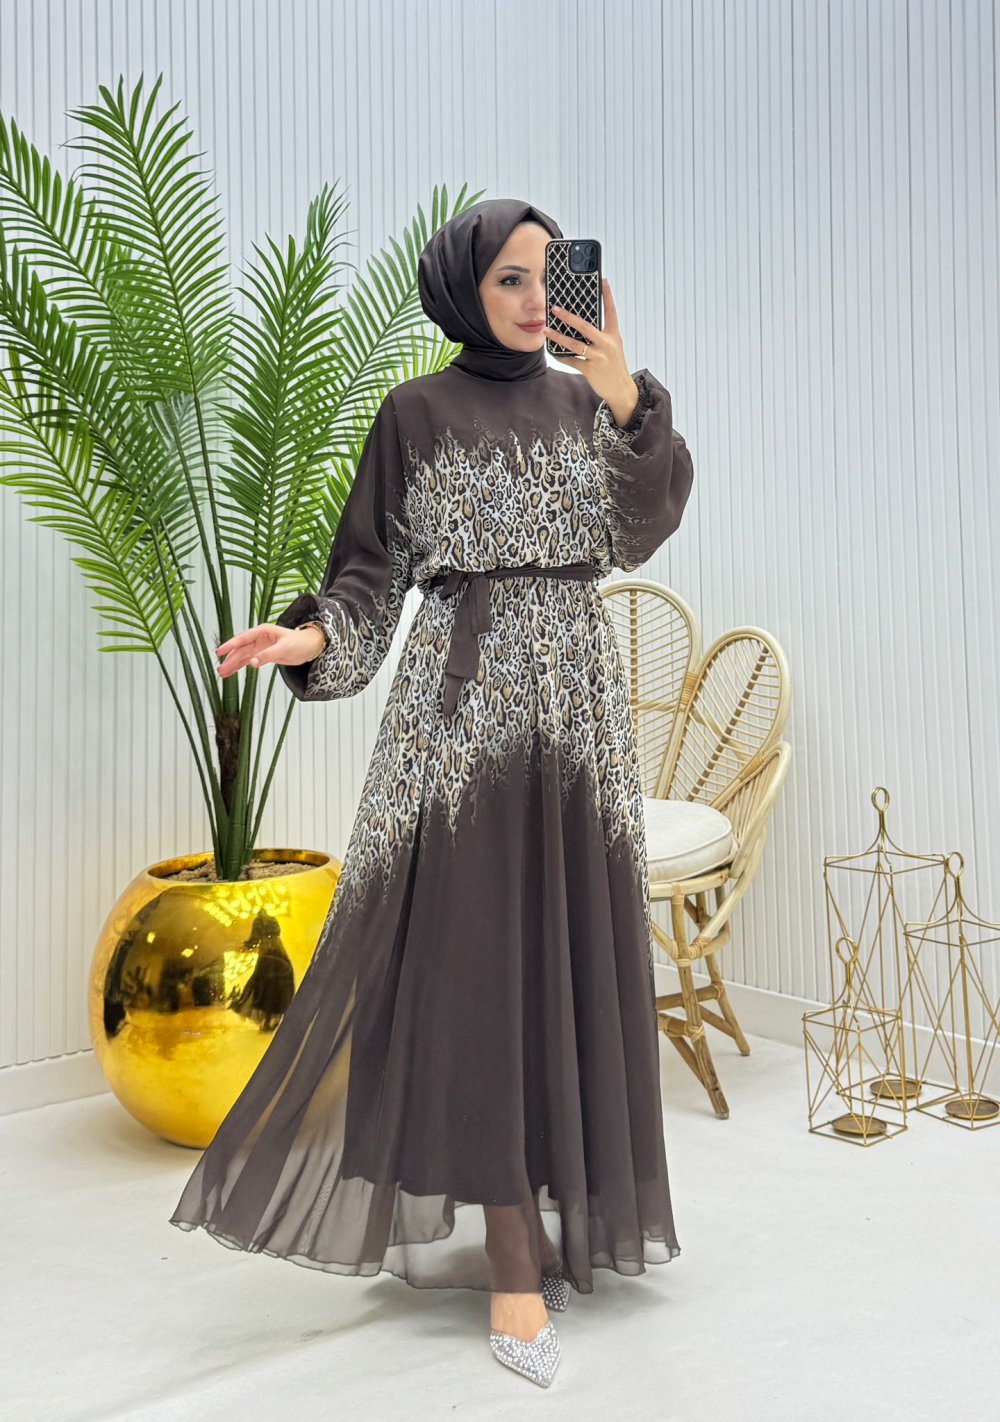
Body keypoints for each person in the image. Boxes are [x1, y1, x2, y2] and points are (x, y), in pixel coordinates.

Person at [168, 197, 694, 1389]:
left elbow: (642, 528)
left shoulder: (589, 402)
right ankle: (510, 1257)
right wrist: (311, 640)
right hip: (458, 735)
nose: (533, 299)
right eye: (509, 278)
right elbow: (369, 572)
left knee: (565, 961)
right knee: (477, 979)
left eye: (546, 275)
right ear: (464, 287)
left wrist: (624, 394)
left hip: (578, 729)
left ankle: (561, 1206)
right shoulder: (414, 411)